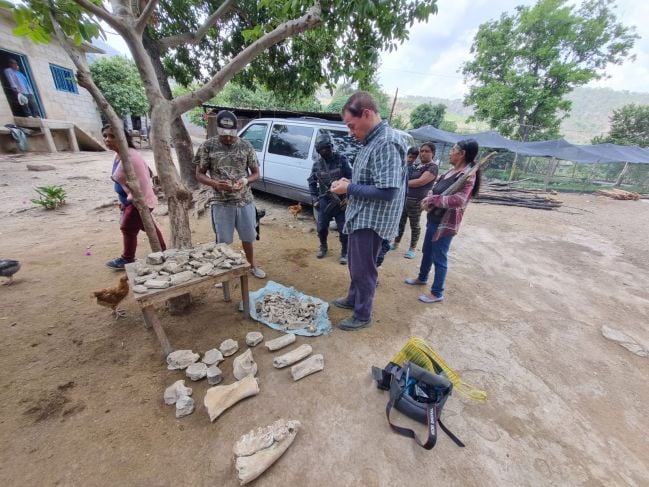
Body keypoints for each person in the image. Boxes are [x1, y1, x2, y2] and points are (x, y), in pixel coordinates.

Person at [330, 91, 407, 331]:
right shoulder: (371, 140)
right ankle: (353, 298)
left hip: (373, 220)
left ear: (367, 114)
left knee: (364, 269)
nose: (351, 132)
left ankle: (363, 314)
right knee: (356, 263)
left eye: (352, 126)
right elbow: (369, 179)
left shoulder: (385, 142)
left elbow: (388, 191)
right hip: (361, 214)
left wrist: (349, 187)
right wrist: (348, 182)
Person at [405, 139, 481, 303]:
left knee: (439, 256)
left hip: (445, 223)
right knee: (427, 250)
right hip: (433, 218)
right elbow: (435, 186)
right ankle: (422, 277)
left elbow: (459, 200)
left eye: (453, 149)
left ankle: (437, 292)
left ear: (462, 154)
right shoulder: (451, 172)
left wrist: (434, 199)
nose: (450, 152)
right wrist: (429, 197)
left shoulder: (468, 175)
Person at [194, 110, 266, 279]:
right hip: (221, 202)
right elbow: (199, 174)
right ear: (218, 129)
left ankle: (251, 265)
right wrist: (215, 184)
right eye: (224, 134)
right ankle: (224, 273)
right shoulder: (207, 146)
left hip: (245, 201)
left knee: (248, 237)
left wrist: (245, 181)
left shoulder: (246, 145)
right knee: (223, 242)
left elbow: (256, 173)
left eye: (231, 134)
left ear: (236, 129)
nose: (227, 138)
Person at [102, 125, 167, 270]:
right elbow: (147, 173)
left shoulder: (129, 156)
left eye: (112, 136)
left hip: (139, 201)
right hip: (133, 201)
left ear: (124, 138)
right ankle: (163, 251)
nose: (107, 139)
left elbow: (145, 178)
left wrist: (132, 200)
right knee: (148, 226)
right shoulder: (119, 155)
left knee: (128, 228)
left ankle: (127, 258)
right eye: (105, 136)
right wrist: (122, 200)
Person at [307, 133, 352, 264]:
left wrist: (348, 197)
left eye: (326, 148)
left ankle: (345, 251)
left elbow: (351, 179)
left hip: (341, 201)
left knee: (344, 230)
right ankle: (323, 246)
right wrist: (314, 199)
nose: (324, 151)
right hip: (324, 201)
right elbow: (311, 182)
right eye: (321, 150)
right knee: (321, 228)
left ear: (331, 146)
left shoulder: (341, 160)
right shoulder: (317, 164)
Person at [392, 142, 438, 259]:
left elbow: (421, 182)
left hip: (417, 201)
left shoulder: (432, 167)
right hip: (405, 199)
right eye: (421, 151)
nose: (423, 153)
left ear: (433, 153)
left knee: (414, 225)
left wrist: (401, 184)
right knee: (400, 222)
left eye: (427, 151)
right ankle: (396, 243)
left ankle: (412, 248)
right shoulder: (416, 165)